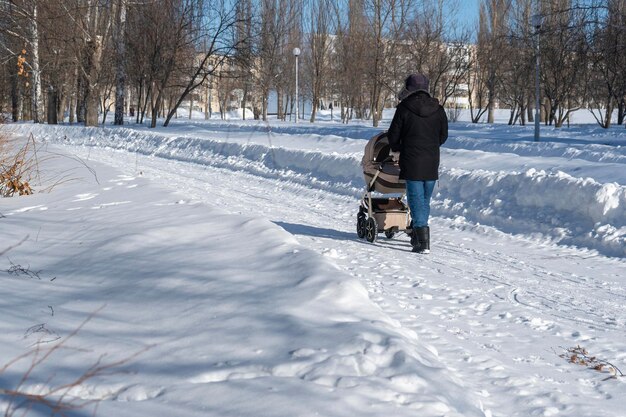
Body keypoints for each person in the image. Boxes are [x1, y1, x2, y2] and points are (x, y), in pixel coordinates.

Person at [387, 73, 448, 253]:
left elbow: (393, 136)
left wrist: (399, 147)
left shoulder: (404, 108)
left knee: (415, 200)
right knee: (424, 201)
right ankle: (417, 234)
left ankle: (423, 243)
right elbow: (443, 136)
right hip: (431, 161)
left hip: (412, 161)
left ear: (409, 89)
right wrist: (430, 144)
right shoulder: (439, 109)